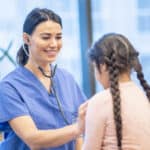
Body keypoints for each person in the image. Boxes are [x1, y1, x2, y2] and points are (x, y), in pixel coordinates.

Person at [0, 8, 88, 150]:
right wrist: (78, 128)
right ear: (26, 39)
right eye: (46, 37)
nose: (53, 44)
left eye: (58, 37)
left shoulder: (67, 79)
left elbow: (78, 132)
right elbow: (33, 140)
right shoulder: (9, 87)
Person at [82, 33, 150, 150]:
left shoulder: (100, 101)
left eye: (94, 68)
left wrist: (80, 129)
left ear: (103, 65)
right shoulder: (144, 97)